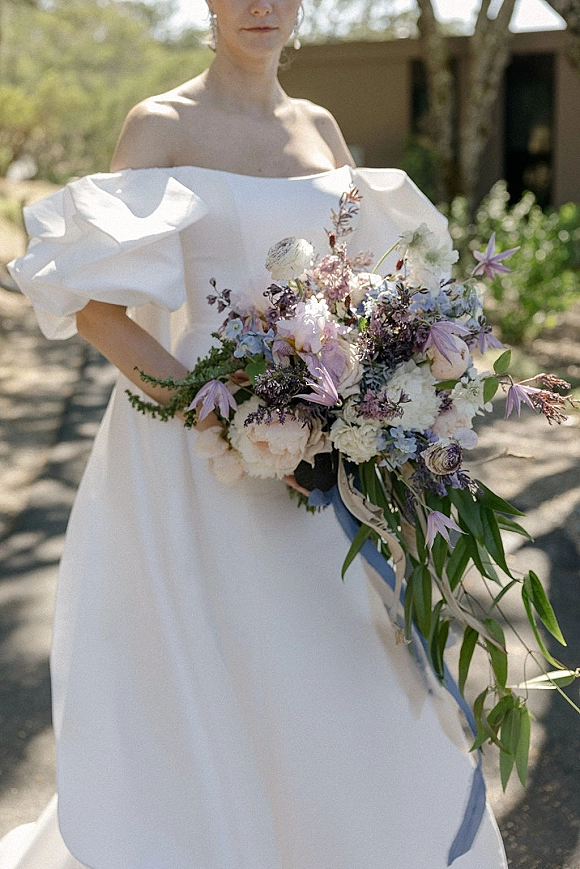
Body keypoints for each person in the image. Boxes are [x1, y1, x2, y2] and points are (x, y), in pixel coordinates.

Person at [1, 2, 508, 867]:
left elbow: (365, 286)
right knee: (221, 674)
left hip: (325, 452)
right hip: (195, 453)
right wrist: (214, 409)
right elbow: (95, 309)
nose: (262, 6)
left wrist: (380, 390)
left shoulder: (319, 125)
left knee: (344, 670)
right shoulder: (160, 124)